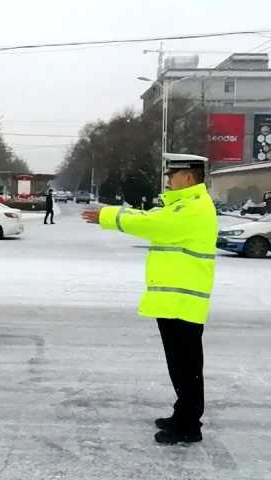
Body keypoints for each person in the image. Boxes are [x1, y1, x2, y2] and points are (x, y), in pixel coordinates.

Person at [81, 156, 218, 445]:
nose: (168, 178)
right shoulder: (183, 205)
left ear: (189, 177)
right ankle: (182, 413)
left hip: (184, 302)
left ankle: (189, 426)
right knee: (180, 365)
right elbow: (150, 217)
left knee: (187, 367)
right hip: (174, 300)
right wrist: (112, 213)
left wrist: (108, 217)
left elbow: (153, 224)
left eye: (173, 174)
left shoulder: (193, 208)